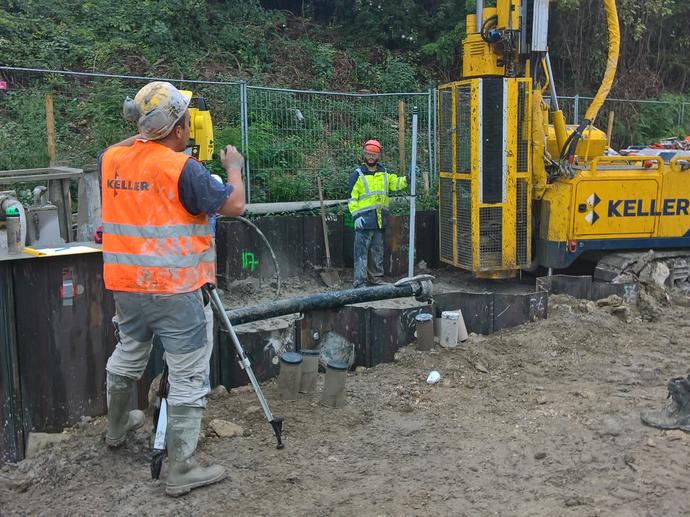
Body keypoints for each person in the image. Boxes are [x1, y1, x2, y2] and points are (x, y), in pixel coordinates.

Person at [100, 81, 245, 497]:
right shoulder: (184, 169)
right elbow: (233, 206)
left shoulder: (111, 159)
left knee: (129, 351)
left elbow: (132, 145)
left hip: (126, 285)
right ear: (180, 127)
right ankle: (180, 468)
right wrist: (233, 167)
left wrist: (149, 133)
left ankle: (117, 427)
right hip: (175, 288)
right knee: (187, 373)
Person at [347, 139, 407, 288]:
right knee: (361, 253)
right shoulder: (357, 175)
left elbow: (397, 183)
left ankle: (375, 279)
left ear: (378, 155)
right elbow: (352, 198)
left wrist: (408, 179)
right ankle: (360, 282)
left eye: (374, 154)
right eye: (368, 154)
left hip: (380, 220)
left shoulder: (384, 174)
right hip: (364, 221)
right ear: (364, 154)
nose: (371, 157)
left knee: (377, 252)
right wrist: (356, 216)